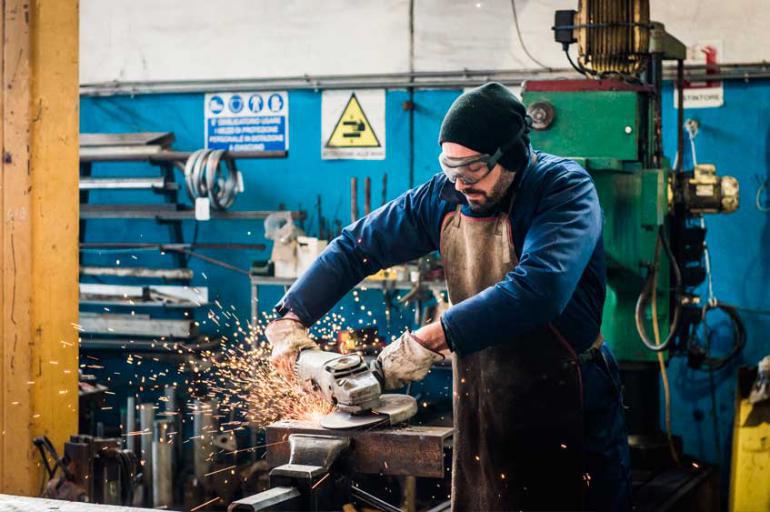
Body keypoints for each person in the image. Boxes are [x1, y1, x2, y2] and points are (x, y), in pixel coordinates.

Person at [265, 82, 631, 511]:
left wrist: (428, 339)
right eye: (450, 168)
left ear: (510, 155)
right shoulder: (443, 196)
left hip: (568, 401)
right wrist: (292, 316)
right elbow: (357, 248)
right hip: (483, 398)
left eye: (472, 170)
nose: (459, 184)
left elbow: (540, 288)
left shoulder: (563, 189)